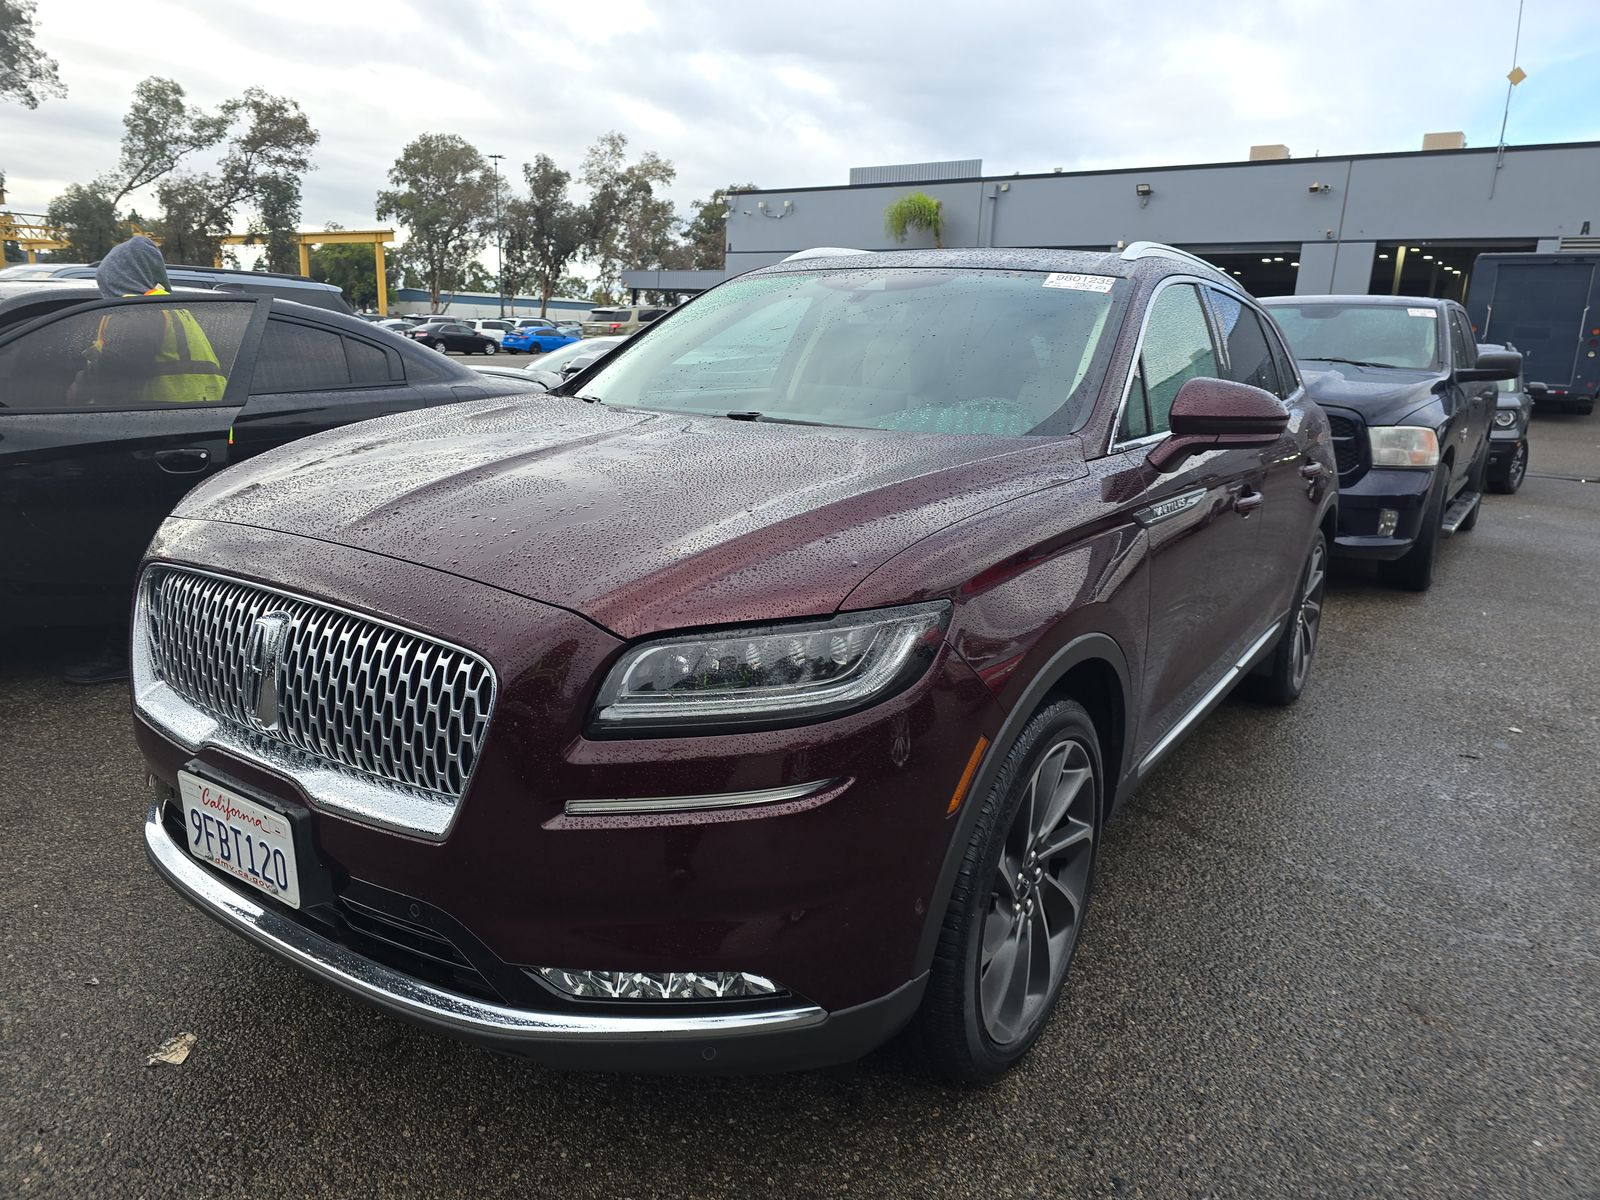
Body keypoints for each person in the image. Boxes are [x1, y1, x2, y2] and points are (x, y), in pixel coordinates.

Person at [62, 236, 226, 685]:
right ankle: (185, 647)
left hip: (160, 444)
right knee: (168, 553)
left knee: (130, 553)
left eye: (108, 284)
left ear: (122, 280)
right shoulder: (171, 310)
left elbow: (110, 376)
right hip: (189, 437)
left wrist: (83, 371)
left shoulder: (139, 316)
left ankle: (122, 654)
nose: (105, 294)